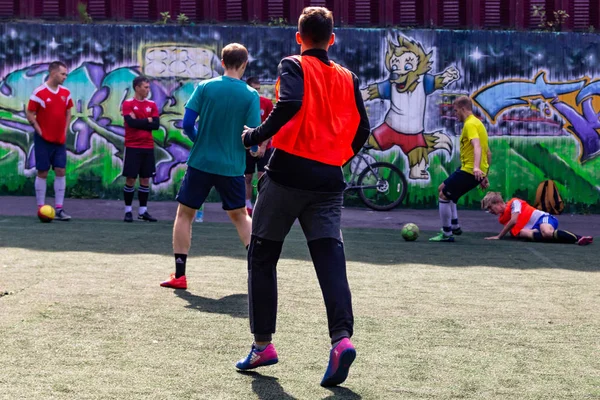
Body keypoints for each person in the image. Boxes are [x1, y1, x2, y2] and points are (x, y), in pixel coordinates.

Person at [236, 7, 370, 388]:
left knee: (262, 255)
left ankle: (263, 344)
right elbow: (363, 126)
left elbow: (290, 102)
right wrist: (340, 157)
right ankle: (341, 340)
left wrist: (255, 135)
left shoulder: (292, 64)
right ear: (332, 39)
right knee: (330, 259)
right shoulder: (348, 76)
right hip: (330, 178)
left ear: (299, 37)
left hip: (288, 174)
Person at [160, 43, 260, 290]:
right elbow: (252, 136)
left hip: (201, 162)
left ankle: (180, 276)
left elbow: (186, 124)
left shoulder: (204, 87)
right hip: (232, 165)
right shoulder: (251, 94)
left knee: (185, 214)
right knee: (240, 216)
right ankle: (257, 274)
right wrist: (253, 149)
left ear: (222, 62)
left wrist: (200, 140)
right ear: (245, 64)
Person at [429, 96, 491, 242]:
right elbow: (488, 152)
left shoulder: (470, 124)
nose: (454, 114)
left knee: (444, 195)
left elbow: (477, 146)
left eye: (456, 111)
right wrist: (484, 175)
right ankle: (455, 225)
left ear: (463, 109)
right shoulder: (478, 123)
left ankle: (447, 233)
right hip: (470, 169)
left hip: (469, 170)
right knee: (442, 188)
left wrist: (476, 168)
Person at [27, 61, 74, 221]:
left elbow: (69, 112)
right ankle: (41, 208)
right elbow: (30, 112)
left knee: (61, 170)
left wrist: (65, 130)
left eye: (66, 74)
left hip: (59, 140)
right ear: (53, 73)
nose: (65, 77)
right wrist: (39, 130)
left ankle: (59, 209)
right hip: (43, 141)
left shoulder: (66, 93)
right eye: (63, 74)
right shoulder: (39, 92)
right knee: (43, 172)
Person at [481, 192, 593, 245]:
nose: (490, 211)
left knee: (546, 233)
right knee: (523, 233)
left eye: (490, 207)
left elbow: (514, 221)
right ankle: (562, 238)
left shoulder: (514, 203)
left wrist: (499, 236)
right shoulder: (503, 218)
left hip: (544, 219)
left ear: (499, 203)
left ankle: (579, 238)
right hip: (533, 229)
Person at [121, 76, 160, 223]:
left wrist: (142, 121)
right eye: (145, 87)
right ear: (137, 87)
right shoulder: (128, 103)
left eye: (148, 87)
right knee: (131, 179)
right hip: (132, 147)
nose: (148, 90)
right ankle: (128, 211)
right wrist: (147, 120)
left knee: (145, 179)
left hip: (147, 146)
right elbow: (130, 123)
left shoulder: (152, 104)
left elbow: (156, 124)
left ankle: (143, 211)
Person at [244, 76, 274, 216]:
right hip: (247, 148)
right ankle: (247, 205)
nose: (256, 92)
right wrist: (248, 146)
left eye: (258, 89)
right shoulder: (242, 105)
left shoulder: (267, 103)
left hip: (265, 148)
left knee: (262, 177)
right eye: (253, 89)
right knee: (248, 177)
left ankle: (259, 205)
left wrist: (262, 147)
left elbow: (271, 128)